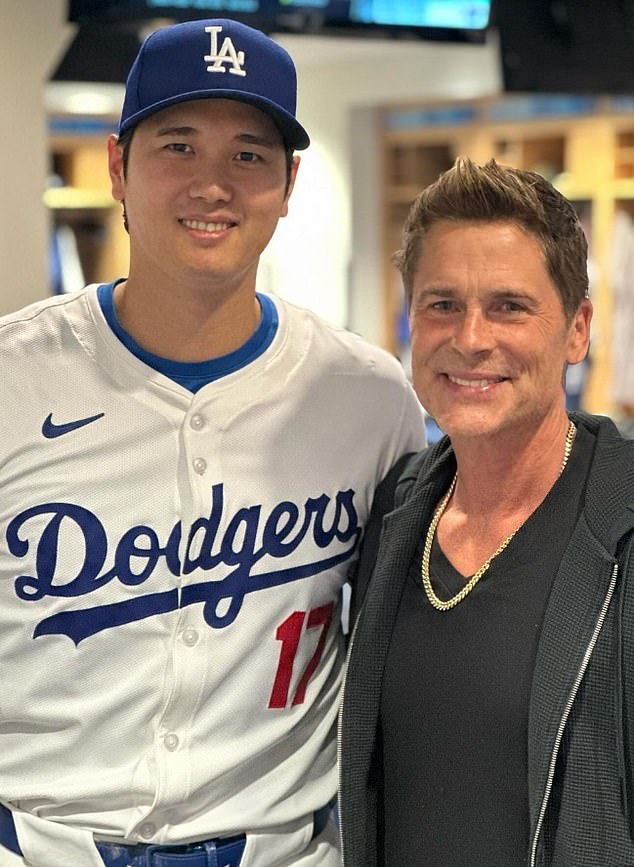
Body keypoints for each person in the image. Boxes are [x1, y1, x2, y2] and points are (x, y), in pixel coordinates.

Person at [0, 18, 425, 867]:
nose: (214, 185)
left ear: (289, 181)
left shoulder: (371, 399)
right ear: (118, 166)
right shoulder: (14, 377)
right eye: (179, 146)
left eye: (248, 155)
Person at [339, 156, 634, 867]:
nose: (471, 337)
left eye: (509, 305)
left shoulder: (622, 522)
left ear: (577, 329)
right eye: (442, 304)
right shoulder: (393, 512)